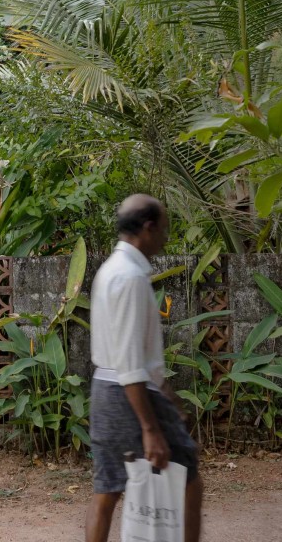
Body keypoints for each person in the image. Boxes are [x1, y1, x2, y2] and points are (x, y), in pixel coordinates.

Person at [85, 194, 202, 542]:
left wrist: (167, 393)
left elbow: (127, 352)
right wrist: (151, 428)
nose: (166, 238)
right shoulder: (130, 277)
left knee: (106, 491)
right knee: (188, 479)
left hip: (105, 392)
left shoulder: (110, 270)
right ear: (148, 227)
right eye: (164, 229)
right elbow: (131, 363)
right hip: (129, 395)